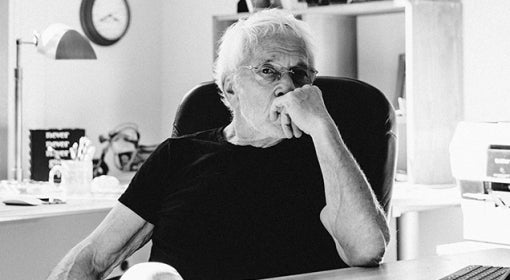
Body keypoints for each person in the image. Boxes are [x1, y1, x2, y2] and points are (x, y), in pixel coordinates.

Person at [47, 9, 390, 280]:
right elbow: (94, 256)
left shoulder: (326, 155)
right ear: (230, 88)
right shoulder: (177, 156)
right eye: (268, 71)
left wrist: (323, 125)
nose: (287, 86)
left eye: (300, 74)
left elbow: (366, 250)